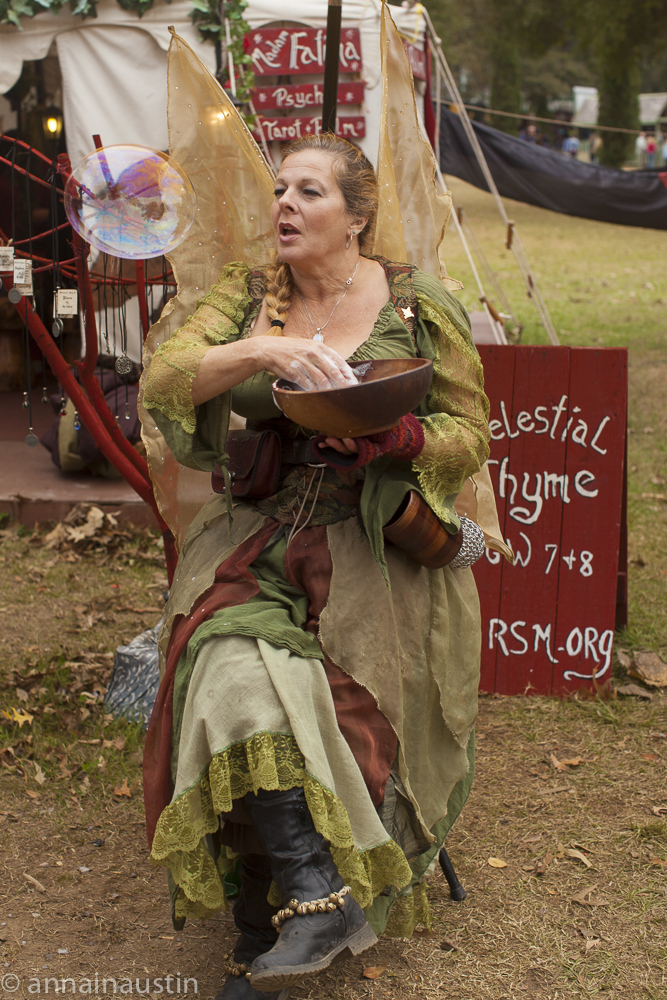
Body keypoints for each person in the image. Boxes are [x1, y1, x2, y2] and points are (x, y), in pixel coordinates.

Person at [141, 132, 490, 1000]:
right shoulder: (249, 296)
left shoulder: (414, 309)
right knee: (222, 666)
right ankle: (301, 894)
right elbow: (166, 378)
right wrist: (261, 353)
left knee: (328, 686)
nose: (285, 206)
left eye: (309, 192)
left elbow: (469, 435)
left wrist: (397, 437)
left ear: (357, 217)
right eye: (280, 191)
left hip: (371, 549)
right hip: (254, 537)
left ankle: (280, 914)